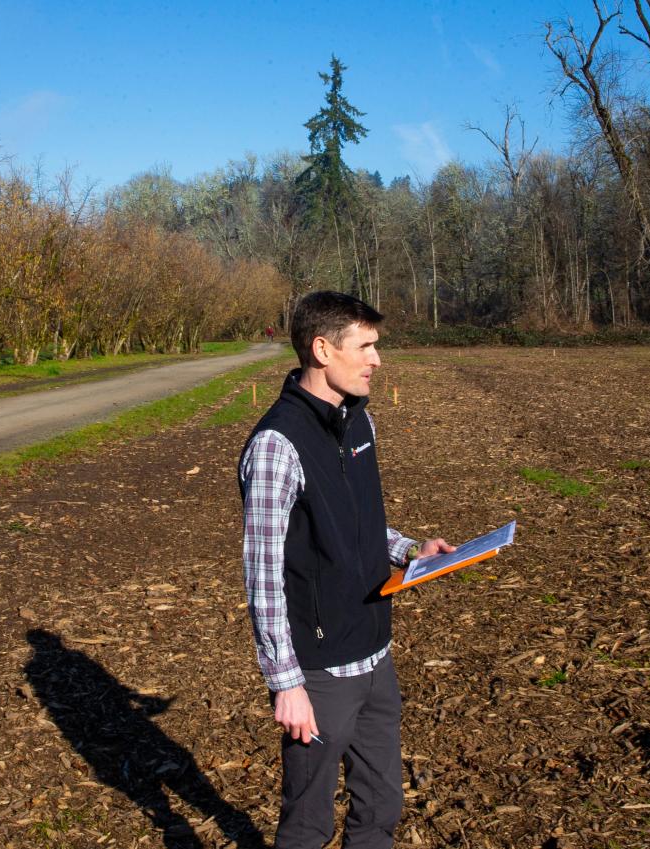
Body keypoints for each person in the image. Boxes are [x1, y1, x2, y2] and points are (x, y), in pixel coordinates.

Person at [238, 291, 454, 849]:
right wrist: (285, 683)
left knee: (382, 802)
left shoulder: (359, 423)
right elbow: (262, 575)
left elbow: (358, 523)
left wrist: (411, 550)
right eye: (366, 346)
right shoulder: (276, 446)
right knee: (308, 824)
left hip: (375, 653)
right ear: (322, 350)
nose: (377, 360)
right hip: (319, 675)